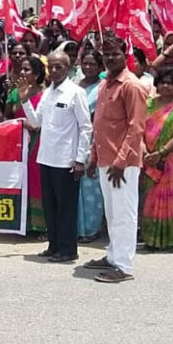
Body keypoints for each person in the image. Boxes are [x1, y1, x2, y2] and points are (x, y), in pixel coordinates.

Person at [85, 33, 147, 283]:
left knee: (124, 213)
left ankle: (123, 266)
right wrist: (93, 155)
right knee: (111, 212)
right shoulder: (105, 84)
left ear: (125, 56)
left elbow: (136, 128)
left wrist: (121, 161)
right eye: (106, 54)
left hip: (123, 163)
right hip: (105, 159)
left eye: (115, 54)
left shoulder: (131, 85)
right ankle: (112, 255)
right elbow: (99, 124)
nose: (110, 58)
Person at [21, 52, 92, 261]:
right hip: (46, 157)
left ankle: (68, 249)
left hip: (66, 160)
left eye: (58, 67)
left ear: (68, 68)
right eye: (51, 67)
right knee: (50, 206)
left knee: (66, 208)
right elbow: (36, 122)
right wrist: (25, 101)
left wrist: (80, 159)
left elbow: (86, 128)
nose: (54, 71)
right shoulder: (47, 93)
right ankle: (54, 245)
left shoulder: (75, 92)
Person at [139, 67, 173, 251]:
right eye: (162, 82)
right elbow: (139, 130)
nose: (166, 86)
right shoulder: (148, 104)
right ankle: (151, 238)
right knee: (150, 198)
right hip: (148, 158)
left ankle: (172, 239)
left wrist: (160, 153)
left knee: (172, 199)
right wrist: (146, 152)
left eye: (170, 83)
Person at [7, 56, 47, 237]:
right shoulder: (15, 93)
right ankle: (21, 223)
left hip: (38, 143)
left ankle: (39, 226)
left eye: (27, 70)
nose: (22, 72)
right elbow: (7, 117)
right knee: (20, 180)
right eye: (21, 69)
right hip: (18, 143)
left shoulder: (45, 95)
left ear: (37, 74)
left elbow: (42, 122)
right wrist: (20, 123)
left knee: (36, 181)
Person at [76, 49, 105, 242]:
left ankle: (91, 229)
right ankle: (77, 227)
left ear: (100, 66)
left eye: (92, 64)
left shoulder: (103, 88)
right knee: (76, 186)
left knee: (91, 185)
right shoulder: (74, 86)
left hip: (95, 141)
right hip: (74, 140)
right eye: (85, 64)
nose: (88, 67)